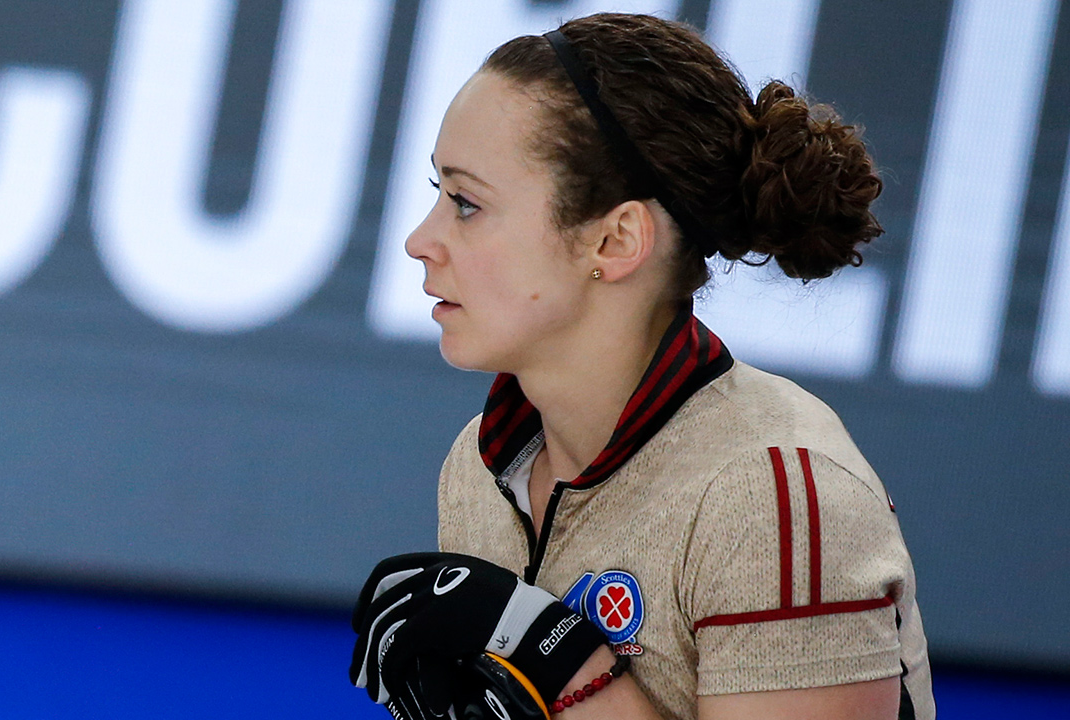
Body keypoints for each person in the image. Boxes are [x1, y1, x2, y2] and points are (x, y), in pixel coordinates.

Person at [350, 12, 932, 720]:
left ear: (616, 239)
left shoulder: (775, 492)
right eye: (437, 193)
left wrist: (558, 665)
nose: (419, 240)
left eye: (467, 203)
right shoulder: (478, 466)